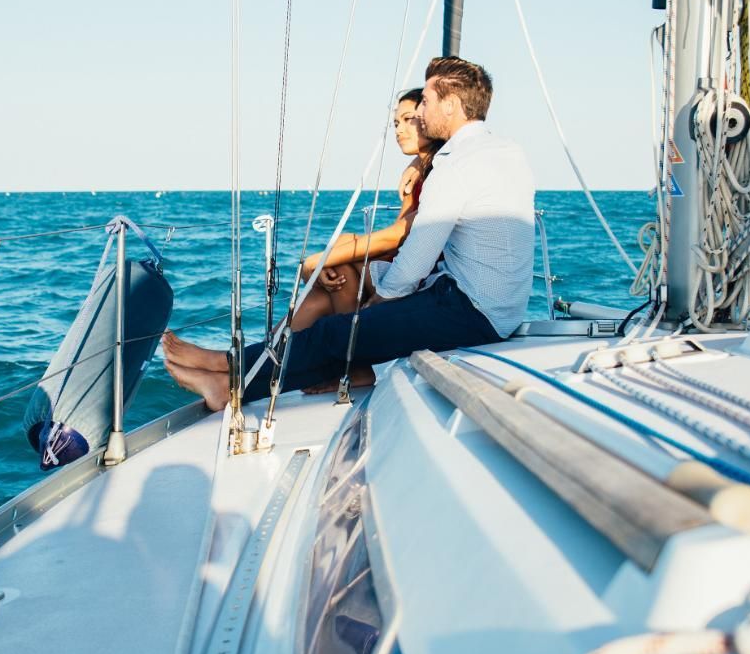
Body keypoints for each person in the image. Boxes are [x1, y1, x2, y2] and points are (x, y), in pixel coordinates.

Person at [163, 55, 535, 409]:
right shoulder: (507, 151)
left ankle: (228, 375)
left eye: (425, 101)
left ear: (450, 105)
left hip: (468, 310)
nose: (420, 113)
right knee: (344, 309)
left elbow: (417, 258)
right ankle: (234, 372)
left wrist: (375, 307)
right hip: (492, 305)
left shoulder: (454, 166)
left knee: (341, 332)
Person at [289, 88, 442, 332]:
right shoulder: (417, 174)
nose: (399, 130)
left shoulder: (440, 172)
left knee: (337, 269)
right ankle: (263, 358)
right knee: (334, 267)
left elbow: (398, 237)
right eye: (395, 123)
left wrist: (316, 262)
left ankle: (354, 354)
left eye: (407, 120)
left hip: (425, 278)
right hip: (407, 264)